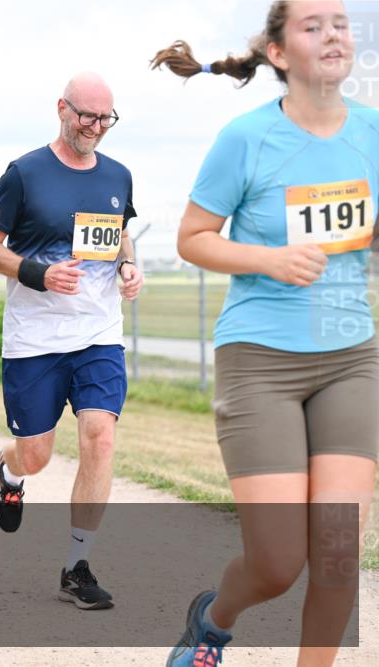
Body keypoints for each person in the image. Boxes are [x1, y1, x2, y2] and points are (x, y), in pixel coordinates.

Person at [150, 2, 379, 665]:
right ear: (278, 53)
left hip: (351, 358)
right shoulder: (245, 139)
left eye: (341, 21)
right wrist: (269, 258)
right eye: (314, 25)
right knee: (278, 562)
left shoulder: (372, 133)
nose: (334, 32)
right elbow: (192, 239)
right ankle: (213, 619)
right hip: (261, 360)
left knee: (338, 551)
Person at [0, 72, 142, 611]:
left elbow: (118, 232)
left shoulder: (118, 174)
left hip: (98, 334)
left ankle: (77, 565)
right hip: (35, 339)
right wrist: (37, 274)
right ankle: (9, 471)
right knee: (36, 455)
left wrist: (129, 264)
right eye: (85, 115)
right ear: (62, 109)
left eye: (104, 118)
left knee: (99, 436)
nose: (94, 126)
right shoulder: (25, 173)